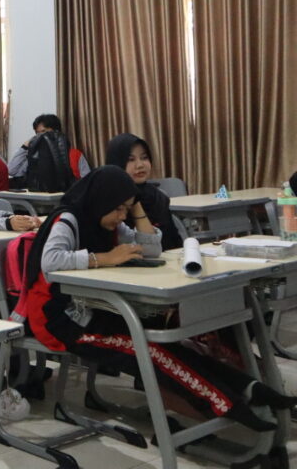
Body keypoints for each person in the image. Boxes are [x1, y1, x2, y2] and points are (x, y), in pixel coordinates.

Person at [24, 166, 295, 433]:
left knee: (180, 341)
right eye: (117, 209)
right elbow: (50, 261)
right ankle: (227, 405)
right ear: (101, 199)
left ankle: (249, 387)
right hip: (61, 320)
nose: (121, 216)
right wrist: (105, 258)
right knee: (149, 351)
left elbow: (152, 249)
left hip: (100, 309)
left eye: (126, 209)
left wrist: (136, 208)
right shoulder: (68, 219)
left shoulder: (111, 223)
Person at [105, 133, 185, 251]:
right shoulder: (108, 201)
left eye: (144, 158)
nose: (140, 165)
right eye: (131, 159)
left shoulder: (158, 197)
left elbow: (175, 243)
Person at [8, 114, 90, 180]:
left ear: (56, 131)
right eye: (37, 133)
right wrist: (25, 147)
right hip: (38, 194)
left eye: (44, 131)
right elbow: (11, 171)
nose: (40, 136)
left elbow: (87, 181)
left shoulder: (75, 154)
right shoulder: (34, 156)